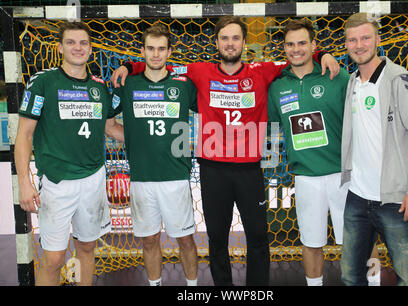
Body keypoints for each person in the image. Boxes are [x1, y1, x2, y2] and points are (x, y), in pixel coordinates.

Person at [111, 16, 340, 286]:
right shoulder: (199, 71)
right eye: (224, 38)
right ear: (216, 42)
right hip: (212, 168)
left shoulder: (263, 70)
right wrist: (130, 64)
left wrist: (323, 53)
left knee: (257, 237)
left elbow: (298, 57)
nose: (230, 44)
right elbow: (160, 63)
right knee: (217, 239)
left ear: (244, 42)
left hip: (249, 169)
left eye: (235, 38)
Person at [15, 22, 115, 286]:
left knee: (86, 249)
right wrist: (24, 182)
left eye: (83, 43)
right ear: (60, 47)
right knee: (54, 259)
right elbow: (24, 135)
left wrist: (150, 140)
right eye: (71, 42)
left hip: (93, 179)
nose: (77, 48)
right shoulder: (43, 82)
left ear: (91, 49)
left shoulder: (99, 87)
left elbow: (111, 127)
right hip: (57, 182)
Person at [340, 13, 408, 286]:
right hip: (357, 196)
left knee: (407, 279)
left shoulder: (400, 81)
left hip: (396, 200)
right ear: (346, 44)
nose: (359, 45)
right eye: (353, 39)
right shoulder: (352, 83)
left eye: (365, 38)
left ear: (378, 40)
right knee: (349, 276)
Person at [105, 24, 199, 286]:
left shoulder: (184, 85)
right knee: (149, 240)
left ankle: (192, 288)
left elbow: (210, 111)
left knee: (186, 239)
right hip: (141, 179)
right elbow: (108, 124)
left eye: (161, 49)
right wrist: (135, 138)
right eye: (150, 48)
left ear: (169, 51)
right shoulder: (127, 83)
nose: (155, 54)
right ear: (142, 51)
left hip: (175, 177)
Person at [267, 19, 350, 286]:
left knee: (357, 241)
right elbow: (268, 127)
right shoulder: (277, 85)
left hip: (345, 175)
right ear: (284, 48)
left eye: (302, 43)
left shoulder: (337, 76)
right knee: (311, 243)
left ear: (314, 46)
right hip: (305, 177)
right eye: (290, 44)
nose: (296, 49)